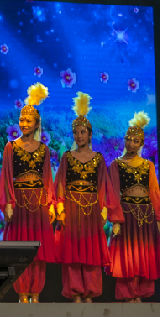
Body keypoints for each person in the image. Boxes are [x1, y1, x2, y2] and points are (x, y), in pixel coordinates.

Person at [0, 83, 57, 303]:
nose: (24, 124)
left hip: (39, 205)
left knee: (38, 252)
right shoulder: (10, 147)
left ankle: (36, 292)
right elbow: (6, 177)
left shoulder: (43, 149)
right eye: (21, 120)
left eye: (28, 120)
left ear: (36, 124)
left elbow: (47, 179)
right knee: (20, 250)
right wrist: (8, 203)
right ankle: (22, 293)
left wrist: (51, 203)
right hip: (20, 203)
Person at [54, 91, 113, 303]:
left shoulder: (98, 158)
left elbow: (103, 185)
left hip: (91, 210)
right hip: (71, 209)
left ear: (90, 134)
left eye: (82, 132)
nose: (79, 136)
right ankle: (75, 292)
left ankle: (90, 292)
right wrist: (60, 209)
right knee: (72, 253)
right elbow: (60, 184)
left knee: (91, 252)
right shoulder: (67, 157)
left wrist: (104, 209)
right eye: (76, 132)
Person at [107, 111, 160, 303]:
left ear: (141, 143)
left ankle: (140, 294)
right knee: (127, 255)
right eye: (128, 139)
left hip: (146, 216)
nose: (131, 143)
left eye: (135, 141)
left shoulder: (148, 165)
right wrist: (116, 220)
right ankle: (128, 295)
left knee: (144, 255)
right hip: (127, 215)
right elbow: (113, 194)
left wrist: (158, 219)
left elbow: (154, 193)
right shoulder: (116, 165)